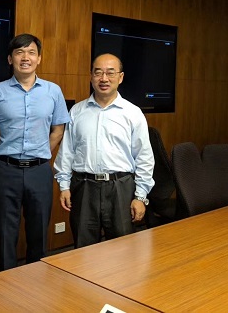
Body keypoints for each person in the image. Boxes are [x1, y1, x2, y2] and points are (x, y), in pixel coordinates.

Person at [0, 34, 70, 270]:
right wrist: (3, 150)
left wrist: (41, 152)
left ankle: (37, 281)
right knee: (6, 232)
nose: (26, 58)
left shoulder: (53, 91)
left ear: (39, 58)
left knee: (39, 232)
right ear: (10, 59)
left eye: (31, 52)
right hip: (6, 170)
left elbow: (58, 130)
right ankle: (5, 281)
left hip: (40, 171)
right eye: (19, 52)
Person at [54, 53, 154, 248]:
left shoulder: (133, 113)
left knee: (122, 250)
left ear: (120, 77)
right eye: (98, 73)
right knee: (83, 250)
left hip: (120, 188)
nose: (104, 78)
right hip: (84, 187)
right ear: (91, 77)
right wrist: (64, 186)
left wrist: (140, 197)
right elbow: (67, 152)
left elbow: (144, 157)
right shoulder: (77, 111)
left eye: (110, 73)